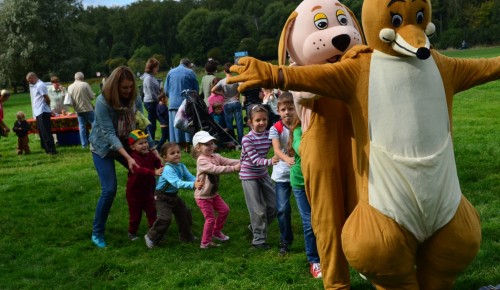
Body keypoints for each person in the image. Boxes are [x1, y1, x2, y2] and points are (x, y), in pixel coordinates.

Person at [89, 66, 158, 248]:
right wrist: (128, 158)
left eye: (130, 87)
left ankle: (151, 219)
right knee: (109, 189)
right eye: (124, 88)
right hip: (102, 146)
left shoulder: (134, 98)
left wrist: (154, 149)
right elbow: (108, 133)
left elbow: (141, 125)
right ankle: (97, 232)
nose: (128, 91)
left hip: (127, 141)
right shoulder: (102, 102)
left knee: (148, 175)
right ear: (115, 86)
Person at [144, 142, 203, 248]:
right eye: (172, 153)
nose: (176, 154)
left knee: (184, 213)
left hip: (173, 196)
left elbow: (189, 177)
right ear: (165, 158)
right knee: (165, 218)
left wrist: (199, 181)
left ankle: (186, 237)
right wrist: (193, 185)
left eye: (178, 152)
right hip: (162, 197)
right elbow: (177, 183)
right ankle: (151, 237)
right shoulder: (168, 169)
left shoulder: (181, 166)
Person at [192, 131, 240, 249]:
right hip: (203, 196)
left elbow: (228, 161)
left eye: (212, 143)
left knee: (224, 210)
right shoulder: (201, 160)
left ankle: (216, 232)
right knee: (210, 219)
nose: (210, 146)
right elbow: (215, 169)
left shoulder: (216, 156)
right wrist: (235, 168)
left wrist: (243, 162)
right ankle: (205, 242)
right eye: (206, 144)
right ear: (198, 147)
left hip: (212, 194)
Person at [287, 115, 322, 278]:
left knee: (323, 220)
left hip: (320, 182)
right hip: (300, 183)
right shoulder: (298, 131)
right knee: (309, 222)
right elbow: (302, 148)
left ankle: (327, 254)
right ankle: (314, 260)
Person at [239, 105, 279, 250]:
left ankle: (255, 226)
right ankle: (258, 240)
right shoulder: (246, 139)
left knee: (275, 206)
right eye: (257, 120)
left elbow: (279, 143)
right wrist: (271, 161)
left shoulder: (269, 135)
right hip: (249, 175)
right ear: (250, 122)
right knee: (258, 210)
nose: (261, 123)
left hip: (262, 174)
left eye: (264, 119)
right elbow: (255, 160)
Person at [269, 92, 296, 256]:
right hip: (282, 176)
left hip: (301, 174)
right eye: (283, 109)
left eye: (290, 108)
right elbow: (277, 149)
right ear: (278, 111)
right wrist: (287, 159)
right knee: (283, 209)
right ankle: (286, 240)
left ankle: (314, 238)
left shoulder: (301, 125)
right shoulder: (276, 128)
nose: (287, 112)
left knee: (309, 208)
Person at [125, 129, 163, 241]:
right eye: (140, 143)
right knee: (135, 215)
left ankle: (154, 234)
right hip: (134, 193)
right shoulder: (133, 158)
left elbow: (157, 162)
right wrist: (154, 172)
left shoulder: (150, 154)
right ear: (132, 147)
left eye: (146, 142)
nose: (145, 145)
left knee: (152, 212)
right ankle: (132, 233)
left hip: (148, 192)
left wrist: (161, 166)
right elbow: (138, 170)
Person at [164, 58, 199, 152]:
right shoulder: (190, 72)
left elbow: (166, 90)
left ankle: (177, 146)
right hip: (186, 103)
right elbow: (195, 89)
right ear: (188, 65)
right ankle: (188, 145)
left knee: (175, 125)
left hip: (173, 103)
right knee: (186, 124)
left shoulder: (170, 72)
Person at [211, 63, 244, 144]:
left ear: (224, 71)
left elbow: (213, 90)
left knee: (229, 124)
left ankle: (232, 141)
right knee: (239, 123)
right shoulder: (236, 79)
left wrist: (221, 94)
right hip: (236, 102)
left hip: (227, 103)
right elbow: (242, 86)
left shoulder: (222, 81)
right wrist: (238, 94)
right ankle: (241, 141)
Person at [26, 72, 57, 155]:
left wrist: (49, 108)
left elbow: (47, 98)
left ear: (32, 77)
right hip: (39, 112)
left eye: (29, 80)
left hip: (43, 111)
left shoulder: (40, 85)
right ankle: (46, 148)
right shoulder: (37, 85)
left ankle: (51, 150)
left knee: (46, 132)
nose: (29, 82)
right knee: (41, 131)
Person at [67, 72, 96, 148]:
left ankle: (84, 144)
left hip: (78, 110)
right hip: (88, 108)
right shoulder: (85, 84)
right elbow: (92, 97)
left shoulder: (70, 87)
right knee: (95, 124)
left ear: (75, 78)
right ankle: (94, 141)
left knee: (82, 127)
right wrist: (94, 94)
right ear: (82, 78)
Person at [141, 57, 163, 140]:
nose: (158, 69)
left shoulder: (151, 77)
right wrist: (161, 96)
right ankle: (151, 142)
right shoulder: (148, 78)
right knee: (152, 124)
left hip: (153, 102)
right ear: (152, 67)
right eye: (156, 67)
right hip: (151, 103)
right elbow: (152, 95)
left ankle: (152, 140)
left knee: (155, 122)